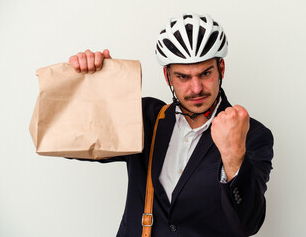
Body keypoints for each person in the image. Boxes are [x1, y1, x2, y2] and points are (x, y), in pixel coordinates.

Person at [69, 13, 273, 237]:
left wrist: (233, 156)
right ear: (167, 77)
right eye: (183, 77)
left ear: (221, 69)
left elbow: (249, 224)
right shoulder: (145, 118)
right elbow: (73, 141)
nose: (196, 88)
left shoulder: (252, 134)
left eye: (205, 73)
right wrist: (88, 81)